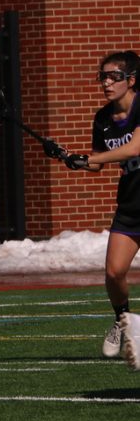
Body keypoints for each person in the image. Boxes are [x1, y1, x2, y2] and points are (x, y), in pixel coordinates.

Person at [59, 51, 140, 367]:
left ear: (131, 80)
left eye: (113, 77)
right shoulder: (102, 119)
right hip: (131, 205)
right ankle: (123, 322)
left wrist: (91, 159)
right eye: (103, 76)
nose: (106, 82)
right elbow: (96, 162)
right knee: (113, 272)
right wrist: (71, 158)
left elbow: (135, 147)